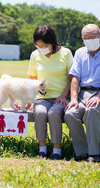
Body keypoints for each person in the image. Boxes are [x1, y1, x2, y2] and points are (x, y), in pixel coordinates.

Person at [64, 24, 100, 163]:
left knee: (92, 110)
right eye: (86, 37)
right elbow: (75, 78)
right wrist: (73, 99)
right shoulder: (79, 53)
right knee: (69, 114)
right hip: (82, 94)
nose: (90, 40)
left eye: (93, 36)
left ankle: (94, 154)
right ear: (82, 39)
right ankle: (82, 151)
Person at [27, 25, 73, 160]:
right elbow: (32, 79)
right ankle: (42, 149)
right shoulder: (35, 55)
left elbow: (73, 78)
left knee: (54, 114)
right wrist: (30, 99)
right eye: (38, 45)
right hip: (42, 98)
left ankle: (57, 150)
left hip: (62, 97)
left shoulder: (66, 53)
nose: (42, 48)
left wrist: (64, 95)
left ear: (53, 42)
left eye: (45, 45)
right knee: (40, 113)